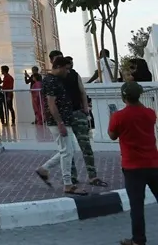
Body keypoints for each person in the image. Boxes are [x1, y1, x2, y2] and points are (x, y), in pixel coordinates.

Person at [108, 81, 158, 245]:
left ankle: (138, 240)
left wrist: (113, 118)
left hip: (132, 167)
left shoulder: (119, 116)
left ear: (124, 97)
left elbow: (112, 135)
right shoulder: (150, 113)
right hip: (153, 163)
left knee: (137, 206)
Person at [35, 56, 88, 195]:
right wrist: (60, 123)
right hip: (59, 121)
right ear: (58, 67)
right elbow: (51, 104)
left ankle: (44, 169)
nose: (68, 72)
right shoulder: (50, 81)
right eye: (66, 69)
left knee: (67, 150)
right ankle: (68, 184)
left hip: (64, 120)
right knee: (66, 151)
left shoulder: (56, 80)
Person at [63, 57, 107, 187]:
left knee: (80, 146)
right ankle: (80, 176)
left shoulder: (72, 75)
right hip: (71, 115)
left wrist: (85, 108)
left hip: (75, 113)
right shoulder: (56, 79)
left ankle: (87, 176)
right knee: (74, 148)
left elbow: (82, 91)